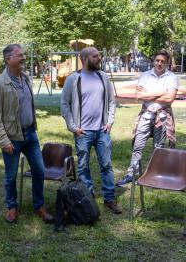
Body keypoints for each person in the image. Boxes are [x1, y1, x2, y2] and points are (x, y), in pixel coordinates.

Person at [0, 44, 53, 224]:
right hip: (11, 138)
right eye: (19, 55)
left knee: (39, 171)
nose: (23, 58)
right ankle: (12, 207)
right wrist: (3, 140)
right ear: (8, 60)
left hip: (30, 135)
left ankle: (39, 206)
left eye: (22, 54)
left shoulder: (25, 78)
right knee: (11, 175)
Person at [61, 47, 122, 214]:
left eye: (99, 55)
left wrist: (109, 122)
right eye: (95, 56)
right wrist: (73, 127)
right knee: (83, 167)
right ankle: (88, 199)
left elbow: (111, 101)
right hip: (83, 132)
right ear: (85, 59)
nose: (99, 58)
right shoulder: (73, 79)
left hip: (102, 130)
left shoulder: (103, 76)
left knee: (106, 165)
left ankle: (109, 199)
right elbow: (64, 104)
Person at [116, 50, 179, 187]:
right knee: (137, 145)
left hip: (162, 116)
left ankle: (156, 175)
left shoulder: (172, 77)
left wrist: (148, 94)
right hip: (145, 115)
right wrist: (162, 92)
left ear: (167, 63)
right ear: (154, 61)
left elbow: (169, 99)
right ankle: (132, 174)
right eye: (157, 60)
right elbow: (138, 96)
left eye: (163, 61)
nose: (159, 63)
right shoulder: (145, 75)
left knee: (158, 147)